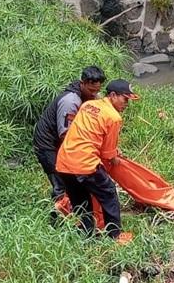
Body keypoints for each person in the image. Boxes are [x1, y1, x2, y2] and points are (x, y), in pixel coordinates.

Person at [55, 79, 139, 243]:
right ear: (113, 95)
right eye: (125, 99)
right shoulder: (113, 117)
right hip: (85, 164)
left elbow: (87, 133)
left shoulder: (87, 106)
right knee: (109, 194)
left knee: (82, 202)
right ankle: (114, 236)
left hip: (64, 163)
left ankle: (86, 237)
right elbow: (108, 154)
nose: (127, 103)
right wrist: (114, 156)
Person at [32, 66, 106, 214]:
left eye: (97, 90)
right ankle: (58, 217)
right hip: (48, 144)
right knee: (61, 180)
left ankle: (73, 209)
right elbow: (66, 135)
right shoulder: (71, 102)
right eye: (91, 91)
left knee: (72, 178)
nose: (95, 94)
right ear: (82, 83)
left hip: (61, 142)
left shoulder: (91, 96)